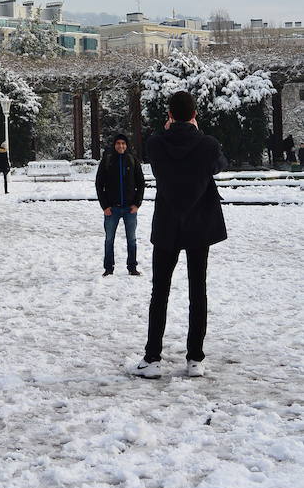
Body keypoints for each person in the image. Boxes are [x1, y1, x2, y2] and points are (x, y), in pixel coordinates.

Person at [137, 90, 227, 380]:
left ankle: (152, 358)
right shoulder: (208, 145)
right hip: (199, 225)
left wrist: (168, 131)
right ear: (195, 114)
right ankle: (195, 358)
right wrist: (197, 135)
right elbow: (219, 165)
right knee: (197, 290)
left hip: (167, 225)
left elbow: (154, 160)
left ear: (169, 115)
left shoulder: (156, 143)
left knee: (159, 291)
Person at [95, 133, 145, 276]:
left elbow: (141, 183)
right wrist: (105, 206)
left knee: (132, 239)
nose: (121, 146)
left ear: (126, 145)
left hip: (130, 208)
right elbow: (99, 184)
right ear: (114, 145)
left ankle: (132, 267)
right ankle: (108, 268)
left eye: (123, 143)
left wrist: (137, 204)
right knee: (109, 239)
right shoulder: (108, 160)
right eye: (118, 143)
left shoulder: (132, 159)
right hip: (112, 209)